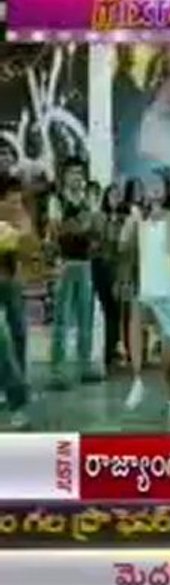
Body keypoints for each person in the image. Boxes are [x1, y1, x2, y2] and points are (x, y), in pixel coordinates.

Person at [122, 169, 170, 419]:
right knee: (134, 326)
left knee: (167, 360)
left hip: (168, 293)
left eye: (158, 185)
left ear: (165, 190)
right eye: (149, 185)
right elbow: (123, 244)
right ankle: (138, 381)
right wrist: (133, 222)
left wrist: (157, 220)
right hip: (146, 291)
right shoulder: (138, 217)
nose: (153, 189)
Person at [46, 156, 102, 389]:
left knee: (85, 317)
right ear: (64, 176)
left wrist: (82, 227)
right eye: (72, 173)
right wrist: (82, 226)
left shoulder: (89, 200)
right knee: (61, 319)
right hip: (65, 264)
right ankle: (58, 370)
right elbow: (58, 231)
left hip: (85, 264)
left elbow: (96, 231)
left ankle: (85, 365)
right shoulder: (56, 200)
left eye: (80, 173)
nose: (77, 177)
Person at [0, 173, 38, 429]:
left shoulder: (20, 215)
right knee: (2, 341)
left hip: (10, 279)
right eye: (12, 202)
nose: (17, 206)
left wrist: (21, 233)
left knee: (18, 333)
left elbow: (30, 244)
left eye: (19, 201)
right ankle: (16, 400)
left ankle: (18, 387)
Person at [93, 182, 126, 373]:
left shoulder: (124, 219)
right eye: (112, 195)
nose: (115, 199)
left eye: (118, 195)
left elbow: (122, 244)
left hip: (118, 267)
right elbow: (97, 242)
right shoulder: (99, 217)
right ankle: (105, 353)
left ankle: (111, 350)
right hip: (100, 266)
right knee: (106, 309)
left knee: (115, 310)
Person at [118, 178, 145, 367]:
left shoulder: (146, 211)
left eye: (140, 189)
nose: (138, 193)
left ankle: (141, 349)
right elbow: (121, 243)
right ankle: (128, 350)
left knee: (141, 311)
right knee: (127, 310)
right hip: (127, 268)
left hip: (143, 267)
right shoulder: (124, 212)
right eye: (135, 189)